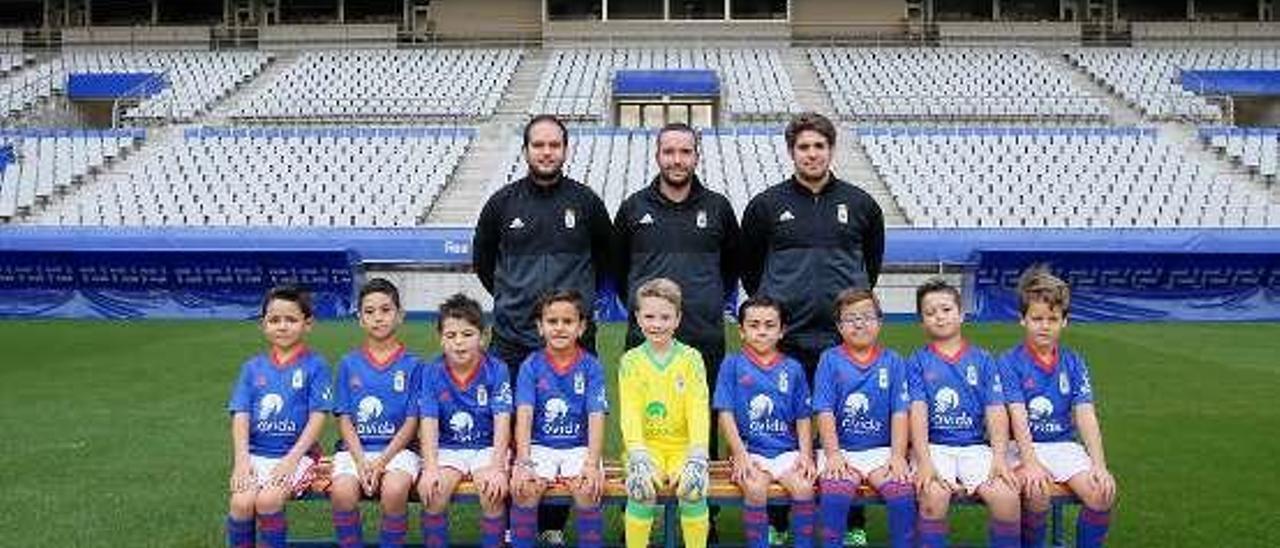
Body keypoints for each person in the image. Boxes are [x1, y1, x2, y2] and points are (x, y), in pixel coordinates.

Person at [740, 111, 884, 543]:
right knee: (783, 431)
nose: (811, 153)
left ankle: (853, 522)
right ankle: (781, 521)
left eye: (819, 146)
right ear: (791, 152)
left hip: (843, 343)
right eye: (803, 146)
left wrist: (848, 316)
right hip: (787, 342)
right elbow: (751, 270)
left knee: (851, 429)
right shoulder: (766, 205)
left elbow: (869, 268)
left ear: (831, 149)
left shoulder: (860, 204)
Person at [473, 115, 612, 543]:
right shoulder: (502, 203)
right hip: (514, 340)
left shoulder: (587, 202)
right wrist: (514, 300)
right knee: (516, 427)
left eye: (554, 145)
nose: (547, 152)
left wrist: (579, 309)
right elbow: (484, 262)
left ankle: (552, 527)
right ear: (526, 150)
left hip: (573, 343)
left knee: (566, 429)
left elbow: (607, 261)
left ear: (565, 150)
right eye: (539, 145)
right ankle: (520, 520)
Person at [1000, 266, 1115, 547]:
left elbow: (1085, 414)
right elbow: (1017, 417)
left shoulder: (1074, 362)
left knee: (1102, 492)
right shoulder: (1008, 362)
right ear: (1022, 320)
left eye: (1052, 318)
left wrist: (1099, 464)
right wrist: (1030, 462)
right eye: (1036, 318)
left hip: (1063, 445)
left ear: (1064, 321)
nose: (1044, 325)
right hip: (1021, 447)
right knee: (1037, 491)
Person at [907, 278, 1021, 548]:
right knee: (933, 495)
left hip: (975, 447)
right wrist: (923, 461)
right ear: (922, 321)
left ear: (961, 313)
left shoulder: (982, 360)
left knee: (1006, 498)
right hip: (934, 447)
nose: (939, 317)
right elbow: (918, 413)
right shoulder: (917, 361)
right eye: (930, 312)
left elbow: (995, 411)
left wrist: (999, 457)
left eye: (946, 309)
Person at [226, 285, 332, 548]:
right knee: (241, 503)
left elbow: (318, 416)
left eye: (291, 319)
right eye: (274, 320)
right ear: (264, 325)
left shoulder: (316, 365)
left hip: (297, 456)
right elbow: (241, 414)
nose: (282, 326)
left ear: (307, 324)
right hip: (256, 454)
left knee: (268, 501)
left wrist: (291, 460)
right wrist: (241, 461)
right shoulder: (252, 368)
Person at [812, 289, 916, 548]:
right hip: (842, 451)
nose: (859, 323)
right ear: (839, 326)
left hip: (882, 451)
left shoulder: (893, 361)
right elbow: (824, 411)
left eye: (867, 316)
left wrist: (897, 455)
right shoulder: (829, 359)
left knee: (902, 494)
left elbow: (900, 412)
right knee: (835, 495)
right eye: (850, 318)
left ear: (880, 322)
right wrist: (834, 454)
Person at [713, 296, 816, 548]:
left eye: (770, 325)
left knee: (804, 488)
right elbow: (724, 413)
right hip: (750, 453)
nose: (761, 331)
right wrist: (739, 454)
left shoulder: (793, 368)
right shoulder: (732, 364)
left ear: (781, 331)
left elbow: (803, 416)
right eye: (754, 325)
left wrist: (805, 454)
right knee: (756, 489)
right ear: (742, 330)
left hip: (786, 452)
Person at [508, 290, 608, 548]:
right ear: (540, 327)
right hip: (540, 447)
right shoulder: (531, 365)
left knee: (588, 489)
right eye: (552, 322)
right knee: (525, 489)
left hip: (578, 447)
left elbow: (596, 415)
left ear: (582, 327)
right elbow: (524, 415)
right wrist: (524, 460)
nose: (560, 328)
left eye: (568, 321)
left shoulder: (591, 366)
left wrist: (591, 463)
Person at [618, 278, 711, 548]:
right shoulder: (631, 361)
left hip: (684, 448)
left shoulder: (691, 358)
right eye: (649, 316)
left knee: (693, 489)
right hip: (647, 448)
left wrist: (697, 452)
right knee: (640, 487)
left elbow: (698, 408)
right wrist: (636, 452)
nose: (656, 324)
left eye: (665, 317)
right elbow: (630, 412)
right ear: (637, 317)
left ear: (678, 319)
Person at [329, 279, 422, 548]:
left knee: (393, 490)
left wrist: (382, 462)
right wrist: (360, 461)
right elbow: (344, 418)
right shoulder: (348, 363)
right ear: (360, 319)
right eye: (369, 312)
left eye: (385, 310)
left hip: (399, 451)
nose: (378, 318)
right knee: (342, 491)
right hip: (355, 451)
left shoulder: (414, 364)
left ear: (399, 315)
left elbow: (412, 422)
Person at [418, 293, 513, 547]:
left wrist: (497, 467)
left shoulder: (497, 369)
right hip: (448, 449)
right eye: (451, 336)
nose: (459, 342)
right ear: (441, 339)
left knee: (492, 493)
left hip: (486, 448)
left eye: (467, 334)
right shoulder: (432, 371)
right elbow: (428, 422)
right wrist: (429, 468)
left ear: (482, 336)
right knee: (433, 494)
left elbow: (503, 419)